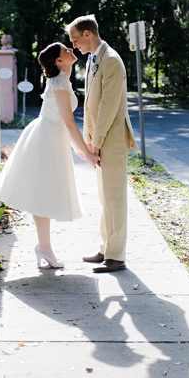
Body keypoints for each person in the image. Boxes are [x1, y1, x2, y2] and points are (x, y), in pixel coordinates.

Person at [0, 43, 100, 269]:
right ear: (58, 61)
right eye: (66, 51)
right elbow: (69, 124)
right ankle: (45, 248)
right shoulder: (59, 83)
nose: (71, 50)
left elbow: (64, 122)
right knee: (42, 194)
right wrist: (88, 154)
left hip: (53, 135)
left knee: (44, 195)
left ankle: (44, 247)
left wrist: (79, 149)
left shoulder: (62, 79)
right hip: (47, 138)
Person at [67, 15, 138, 273]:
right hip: (99, 139)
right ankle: (106, 247)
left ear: (87, 34)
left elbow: (107, 109)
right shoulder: (94, 59)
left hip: (112, 140)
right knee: (105, 197)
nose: (74, 46)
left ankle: (116, 256)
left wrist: (94, 144)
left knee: (115, 198)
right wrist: (90, 140)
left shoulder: (111, 61)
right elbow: (92, 105)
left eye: (75, 39)